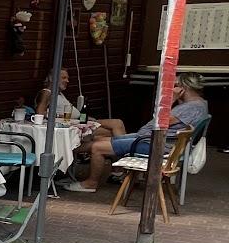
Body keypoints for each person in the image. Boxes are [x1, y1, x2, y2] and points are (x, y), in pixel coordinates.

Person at [64, 73, 209, 192]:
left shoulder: (191, 108)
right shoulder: (199, 104)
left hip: (155, 146)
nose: (172, 88)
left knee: (97, 147)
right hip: (152, 141)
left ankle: (90, 183)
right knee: (98, 141)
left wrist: (171, 99)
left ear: (184, 88)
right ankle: (65, 162)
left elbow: (160, 121)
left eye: (175, 85)